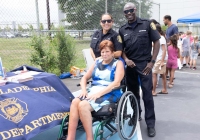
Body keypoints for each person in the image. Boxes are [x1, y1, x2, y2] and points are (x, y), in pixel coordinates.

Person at [66, 40, 124, 140]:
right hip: (93, 90)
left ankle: (90, 138)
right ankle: (70, 137)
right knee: (75, 101)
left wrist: (99, 94)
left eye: (107, 51)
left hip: (110, 92)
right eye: (102, 52)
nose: (104, 54)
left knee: (83, 105)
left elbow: (116, 83)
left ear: (112, 52)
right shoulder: (97, 62)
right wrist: (83, 90)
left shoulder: (118, 64)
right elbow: (84, 78)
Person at [119, 2, 160, 137]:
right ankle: (136, 115)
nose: (129, 13)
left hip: (145, 65)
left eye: (131, 10)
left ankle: (150, 124)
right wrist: (126, 59)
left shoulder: (147, 24)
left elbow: (157, 42)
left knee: (147, 95)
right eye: (126, 11)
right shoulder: (122, 29)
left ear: (135, 10)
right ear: (124, 13)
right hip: (130, 66)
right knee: (133, 94)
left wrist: (152, 62)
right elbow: (121, 50)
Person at [152, 24, 168, 96]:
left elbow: (164, 50)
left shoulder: (161, 38)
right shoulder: (159, 38)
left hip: (160, 59)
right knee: (163, 74)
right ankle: (164, 89)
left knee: (154, 74)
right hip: (160, 58)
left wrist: (162, 61)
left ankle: (153, 91)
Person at [163, 15, 178, 79]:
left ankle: (171, 77)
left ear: (167, 19)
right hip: (167, 46)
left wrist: (170, 44)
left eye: (164, 20)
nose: (163, 21)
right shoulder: (168, 28)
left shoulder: (174, 27)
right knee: (167, 62)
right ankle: (167, 75)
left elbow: (176, 37)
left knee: (171, 62)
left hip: (171, 47)